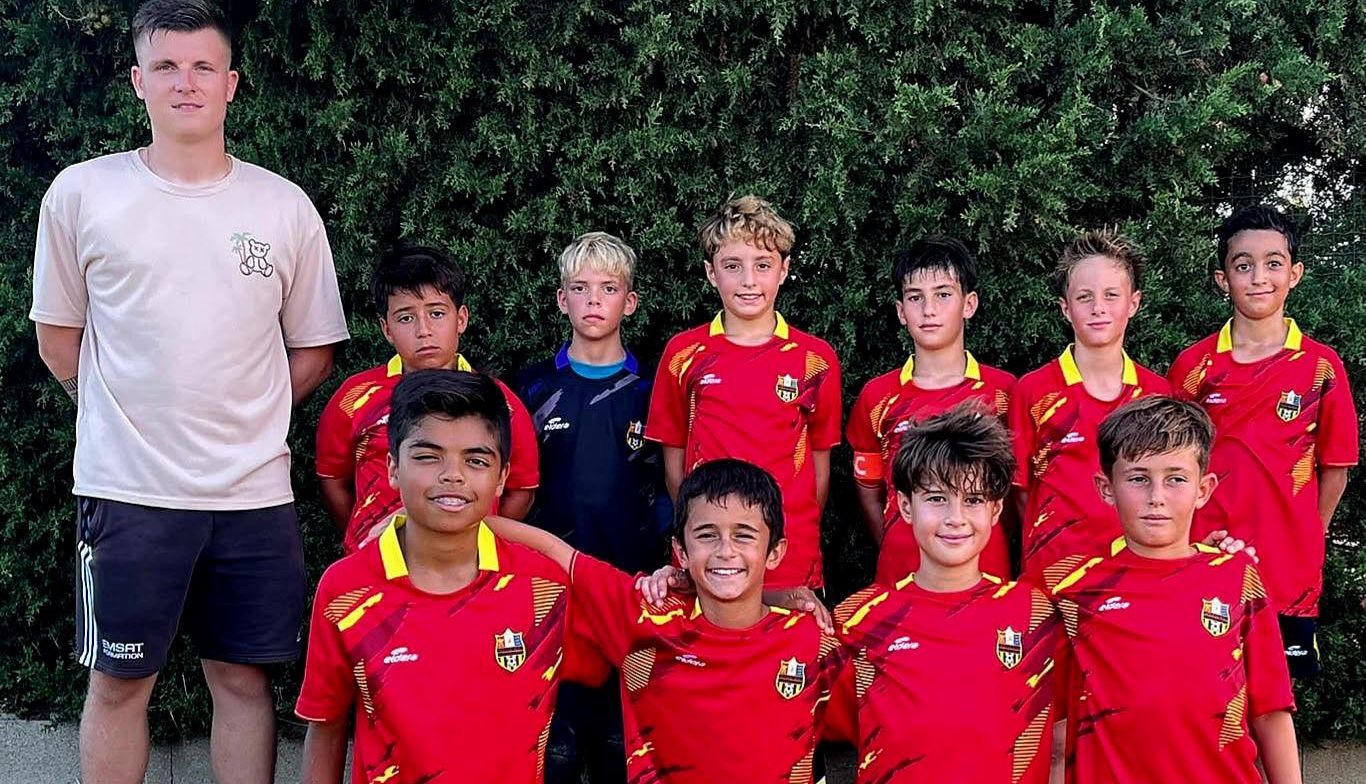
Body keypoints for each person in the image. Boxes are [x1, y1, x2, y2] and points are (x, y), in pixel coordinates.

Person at [29, 2, 348, 781]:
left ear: (231, 83)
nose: (186, 82)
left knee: (243, 682)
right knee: (118, 684)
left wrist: (249, 416)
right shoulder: (82, 193)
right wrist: (120, 417)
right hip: (128, 491)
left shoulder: (282, 206)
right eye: (166, 66)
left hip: (252, 495)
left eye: (204, 66)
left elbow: (315, 348)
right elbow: (57, 339)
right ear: (137, 80)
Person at [297, 371, 601, 783]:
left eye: (476, 460)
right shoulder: (346, 589)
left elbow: (647, 650)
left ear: (502, 476)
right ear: (392, 467)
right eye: (428, 456)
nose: (452, 475)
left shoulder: (544, 587)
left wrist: (676, 583)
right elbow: (326, 724)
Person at [487, 459, 843, 783]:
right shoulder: (646, 616)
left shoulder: (812, 637)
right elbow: (555, 552)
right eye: (707, 534)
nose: (725, 550)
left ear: (775, 552)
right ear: (681, 551)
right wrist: (461, 519)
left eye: (743, 535)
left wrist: (776, 596)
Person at [1045, 396, 1300, 783]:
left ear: (1204, 489)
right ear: (1106, 488)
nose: (1157, 497)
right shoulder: (1071, 591)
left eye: (1176, 479)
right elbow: (1052, 728)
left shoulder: (1237, 578)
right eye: (1138, 478)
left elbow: (1270, 711)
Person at [1168, 204, 1358, 679]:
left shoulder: (1321, 366)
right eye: (1243, 265)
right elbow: (1170, 466)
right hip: (1206, 558)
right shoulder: (1193, 367)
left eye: (1273, 263)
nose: (1258, 277)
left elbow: (1335, 469)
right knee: (1203, 690)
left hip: (1289, 573)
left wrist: (1306, 535)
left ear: (1294, 274)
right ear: (1223, 279)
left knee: (1277, 700)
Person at [832, 405, 1065, 782]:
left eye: (973, 500)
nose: (955, 517)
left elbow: (1060, 740)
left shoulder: (1036, 614)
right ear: (905, 506)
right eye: (937, 498)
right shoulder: (857, 621)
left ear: (996, 509)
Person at [514, 231, 669, 782]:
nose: (594, 300)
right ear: (562, 299)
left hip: (631, 590)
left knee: (618, 750)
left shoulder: (653, 391)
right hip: (548, 593)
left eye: (609, 288)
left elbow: (673, 486)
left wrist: (667, 565)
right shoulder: (531, 388)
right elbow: (510, 490)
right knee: (551, 751)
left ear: (630, 301)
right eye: (580, 288)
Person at [647, 195, 842, 590]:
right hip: (711, 561)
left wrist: (786, 527)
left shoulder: (815, 358)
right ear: (711, 272)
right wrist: (700, 528)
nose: (749, 280)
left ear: (784, 270)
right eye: (733, 266)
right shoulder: (683, 353)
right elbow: (674, 464)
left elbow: (819, 472)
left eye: (763, 265)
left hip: (791, 559)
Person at [315, 245, 539, 552]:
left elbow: (521, 489)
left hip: (468, 563)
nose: (424, 330)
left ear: (461, 319)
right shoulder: (354, 397)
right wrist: (362, 539)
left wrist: (479, 537)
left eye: (436, 313)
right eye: (406, 318)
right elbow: (333, 480)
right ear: (386, 329)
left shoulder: (500, 402)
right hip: (375, 560)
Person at [847, 237, 1016, 583]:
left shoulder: (1004, 392)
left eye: (943, 294)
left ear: (969, 304)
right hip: (901, 571)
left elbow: (1015, 490)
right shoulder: (876, 396)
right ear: (900, 311)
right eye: (915, 297)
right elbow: (869, 489)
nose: (928, 309)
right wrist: (894, 538)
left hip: (987, 570)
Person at [1009, 229, 1169, 580]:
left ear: (1134, 303)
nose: (1098, 308)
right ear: (1065, 308)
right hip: (1051, 580)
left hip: (1134, 578)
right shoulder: (1032, 390)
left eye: (1111, 295)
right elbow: (1020, 492)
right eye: (1085, 297)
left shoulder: (1157, 394)